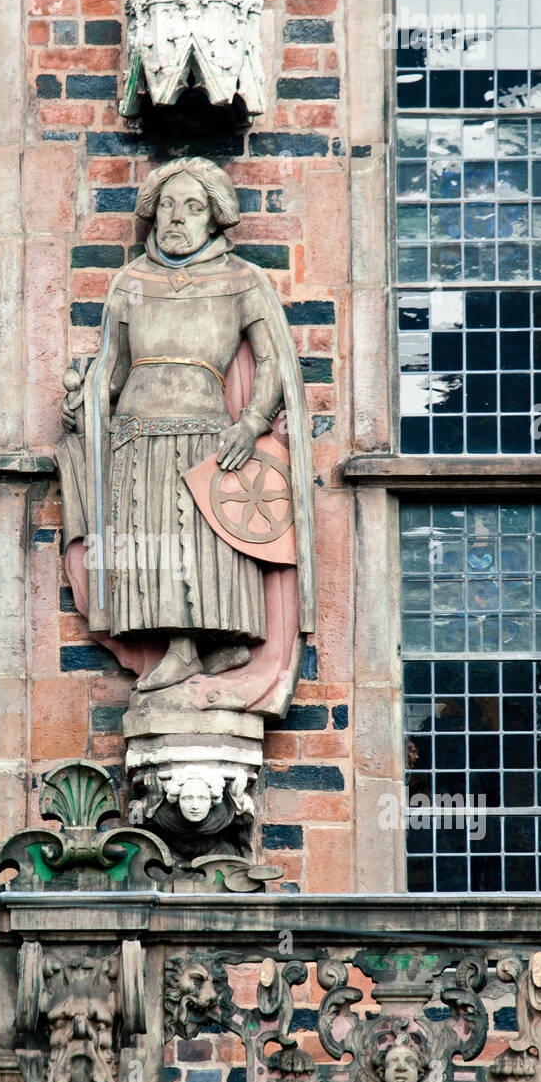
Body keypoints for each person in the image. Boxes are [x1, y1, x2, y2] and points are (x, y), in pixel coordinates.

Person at [58, 156, 312, 694]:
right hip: (135, 432)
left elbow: (271, 363)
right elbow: (114, 367)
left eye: (192, 207)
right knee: (150, 537)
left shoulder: (242, 280)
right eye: (167, 206)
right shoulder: (131, 281)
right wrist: (85, 402)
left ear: (215, 218)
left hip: (203, 430)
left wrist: (251, 422)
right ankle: (188, 648)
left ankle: (200, 647)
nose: (176, 218)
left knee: (197, 539)